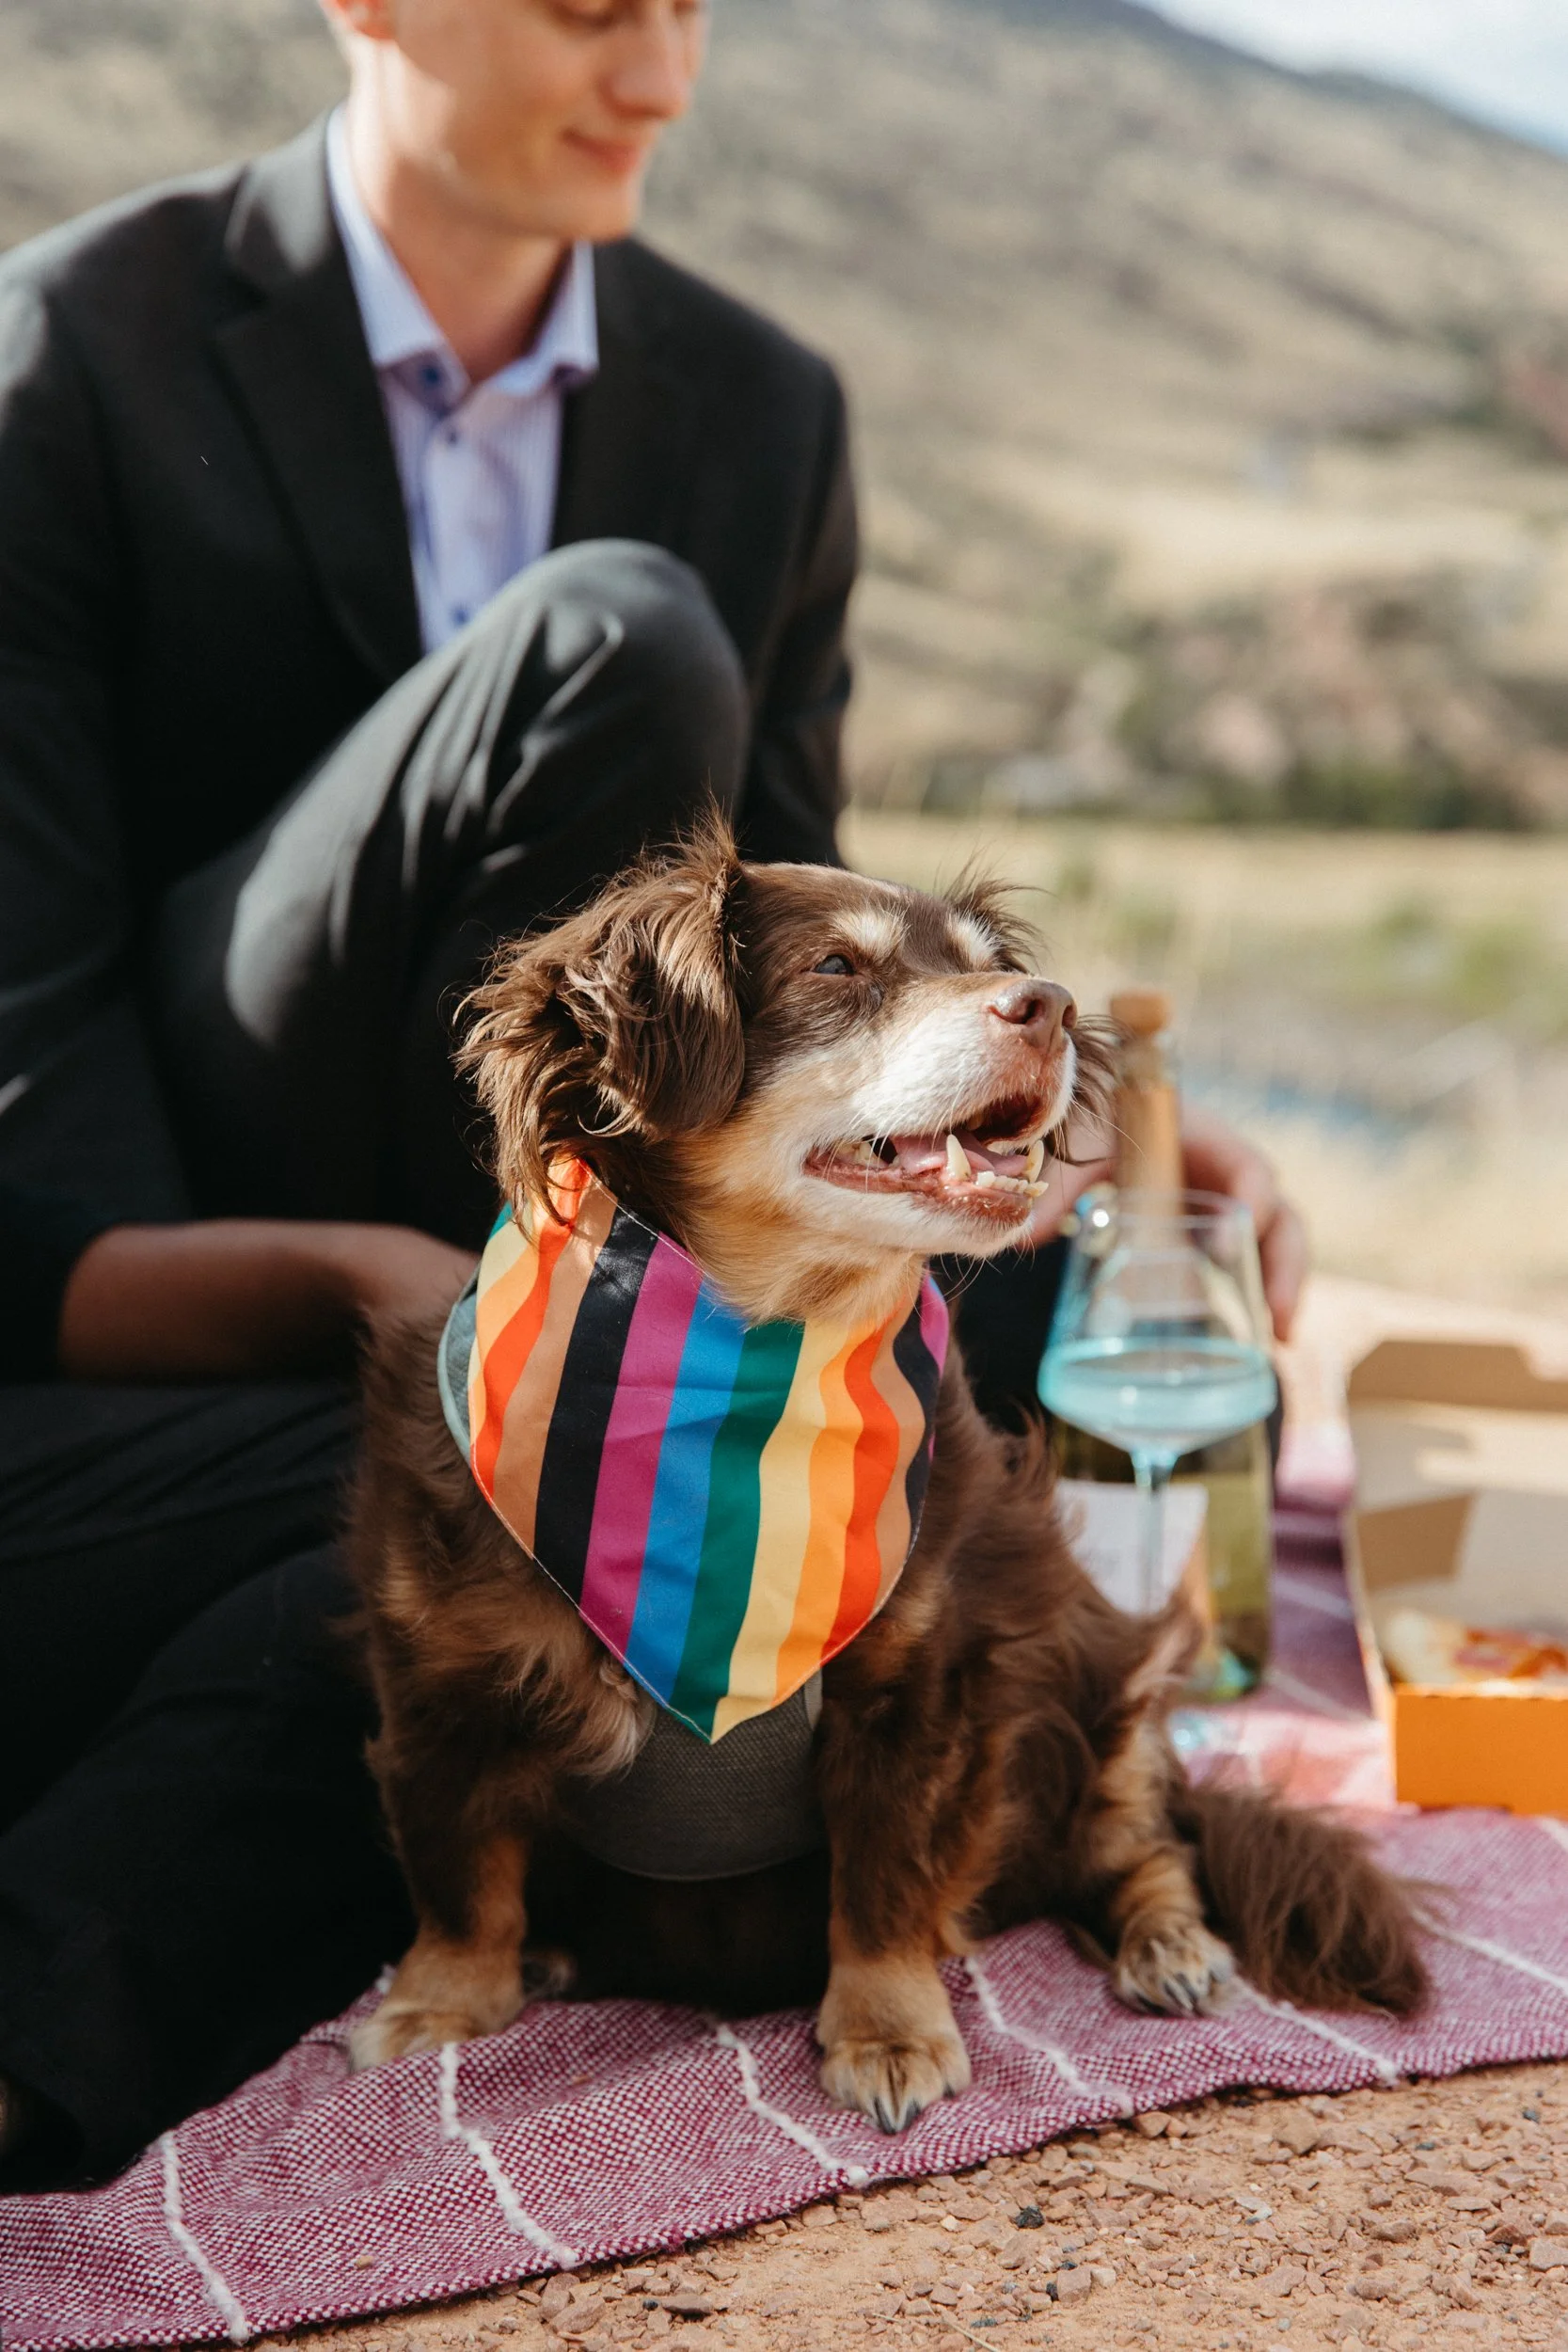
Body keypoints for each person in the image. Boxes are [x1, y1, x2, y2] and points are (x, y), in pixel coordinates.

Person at [0, 0, 1306, 2186]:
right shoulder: (68, 358)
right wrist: (397, 1294)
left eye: (696, 7)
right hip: (187, 1293)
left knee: (1024, 1339)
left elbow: (794, 984)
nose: (667, 76)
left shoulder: (760, 404)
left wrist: (1053, 1161)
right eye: (596, 5)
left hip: (626, 1289)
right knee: (614, 644)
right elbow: (23, 1099)